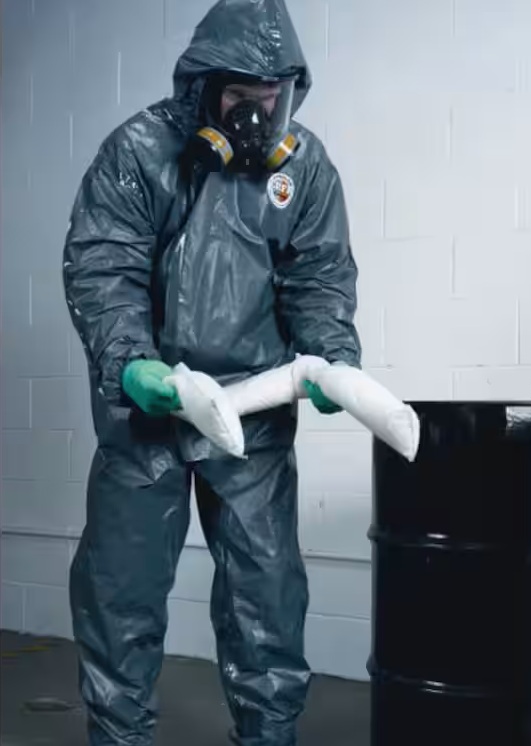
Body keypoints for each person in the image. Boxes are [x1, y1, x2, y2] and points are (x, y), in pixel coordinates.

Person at [61, 1, 361, 744]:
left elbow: (319, 276)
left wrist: (330, 356)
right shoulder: (139, 150)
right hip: (152, 409)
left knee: (266, 591)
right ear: (205, 87)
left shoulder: (303, 165)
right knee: (121, 590)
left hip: (252, 414)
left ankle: (268, 734)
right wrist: (132, 363)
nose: (256, 117)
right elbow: (104, 266)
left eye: (270, 99)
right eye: (240, 99)